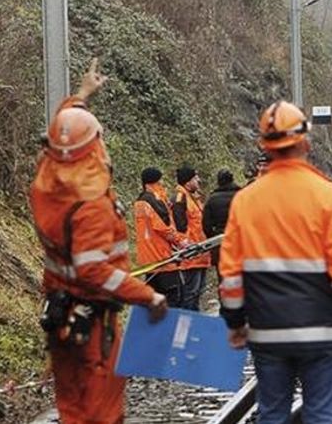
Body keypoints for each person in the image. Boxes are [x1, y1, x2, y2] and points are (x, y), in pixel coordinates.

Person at [30, 58, 168, 424]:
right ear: (94, 147)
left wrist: (81, 96)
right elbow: (94, 270)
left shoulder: (50, 177)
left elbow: (66, 130)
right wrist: (147, 295)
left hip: (63, 316)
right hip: (93, 324)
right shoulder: (89, 202)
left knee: (72, 408)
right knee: (100, 413)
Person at [219, 100, 332, 424]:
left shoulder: (246, 201)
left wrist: (235, 323)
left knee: (271, 413)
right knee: (321, 414)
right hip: (322, 330)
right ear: (304, 142)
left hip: (267, 331)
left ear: (265, 147)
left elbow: (230, 275)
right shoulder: (328, 196)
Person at [133, 167, 188, 307]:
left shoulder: (139, 202)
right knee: (174, 300)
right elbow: (164, 227)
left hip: (149, 261)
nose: (162, 184)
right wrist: (181, 241)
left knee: (155, 303)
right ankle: (170, 328)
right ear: (151, 184)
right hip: (162, 258)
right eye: (159, 182)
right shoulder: (153, 200)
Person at [174, 166, 209, 310]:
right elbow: (179, 226)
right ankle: (187, 324)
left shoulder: (193, 198)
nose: (199, 180)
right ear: (188, 182)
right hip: (191, 255)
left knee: (197, 292)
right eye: (195, 178)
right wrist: (186, 246)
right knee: (190, 293)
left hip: (200, 253)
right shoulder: (180, 198)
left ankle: (196, 322)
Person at [202, 169, 240, 272]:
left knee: (223, 277)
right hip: (240, 241)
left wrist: (213, 238)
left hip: (220, 243)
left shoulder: (212, 199)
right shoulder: (242, 195)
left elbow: (206, 225)